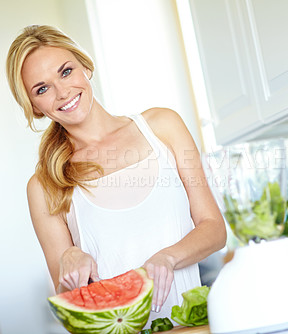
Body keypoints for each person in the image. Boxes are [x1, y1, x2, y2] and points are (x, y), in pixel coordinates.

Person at [6, 25, 226, 326]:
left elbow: (214, 228)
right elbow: (74, 308)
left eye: (66, 72)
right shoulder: (44, 185)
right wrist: (69, 261)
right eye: (42, 89)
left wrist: (169, 257)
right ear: (35, 107)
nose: (62, 92)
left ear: (85, 67)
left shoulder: (162, 127)